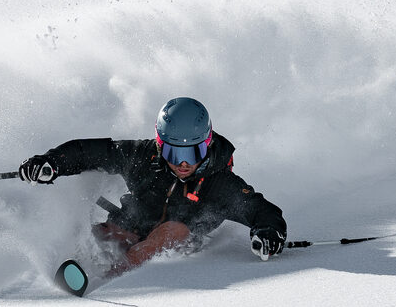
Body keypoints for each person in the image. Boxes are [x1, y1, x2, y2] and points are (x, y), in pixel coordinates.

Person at [17, 97, 287, 275]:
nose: (183, 165)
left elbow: (260, 210)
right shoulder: (144, 158)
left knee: (171, 231)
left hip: (181, 241)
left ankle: (110, 279)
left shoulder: (219, 183)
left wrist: (268, 232)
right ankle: (33, 265)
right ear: (160, 145)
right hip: (134, 227)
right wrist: (51, 163)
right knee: (106, 232)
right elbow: (90, 153)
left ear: (208, 144)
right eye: (173, 154)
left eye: (193, 154)